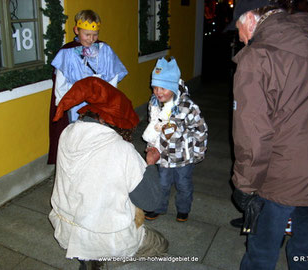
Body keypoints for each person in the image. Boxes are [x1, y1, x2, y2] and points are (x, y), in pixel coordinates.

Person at [225, 0, 308, 269]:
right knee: (307, 250)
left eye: (238, 27)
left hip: (278, 182)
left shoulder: (257, 57)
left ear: (250, 19)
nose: (239, 36)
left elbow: (253, 134)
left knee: (261, 254)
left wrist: (245, 186)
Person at [49, 77, 168, 270]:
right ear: (110, 120)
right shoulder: (123, 151)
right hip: (105, 236)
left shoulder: (68, 132)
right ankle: (105, 257)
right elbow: (151, 202)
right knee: (160, 243)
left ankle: (87, 255)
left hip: (68, 227)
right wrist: (150, 164)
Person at [48, 9, 128, 164]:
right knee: (79, 139)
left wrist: (109, 103)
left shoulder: (105, 50)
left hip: (100, 105)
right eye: (87, 35)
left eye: (95, 35)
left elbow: (113, 78)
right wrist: (62, 105)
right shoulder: (67, 53)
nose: (91, 39)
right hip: (76, 106)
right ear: (76, 30)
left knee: (100, 138)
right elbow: (61, 83)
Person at [142, 57, 208, 222]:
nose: (158, 92)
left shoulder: (187, 107)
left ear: (173, 87)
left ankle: (183, 209)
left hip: (182, 157)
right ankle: (159, 208)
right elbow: (153, 127)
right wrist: (152, 146)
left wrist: (199, 152)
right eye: (155, 87)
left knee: (183, 185)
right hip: (163, 156)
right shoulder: (154, 104)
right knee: (162, 184)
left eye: (163, 88)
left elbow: (201, 129)